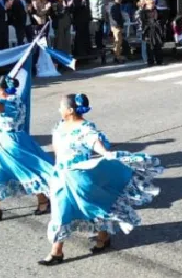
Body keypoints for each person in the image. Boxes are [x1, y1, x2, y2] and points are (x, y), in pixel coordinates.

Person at [39, 94, 163, 265]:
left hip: (80, 176)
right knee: (60, 212)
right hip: (60, 177)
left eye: (61, 107)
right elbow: (57, 151)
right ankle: (56, 252)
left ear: (69, 110)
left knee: (92, 208)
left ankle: (103, 237)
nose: (59, 109)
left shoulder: (85, 128)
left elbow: (95, 141)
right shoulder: (60, 126)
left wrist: (105, 154)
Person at [0, 74, 54, 224]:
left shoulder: (12, 103)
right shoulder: (2, 99)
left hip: (12, 144)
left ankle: (44, 200)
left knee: (29, 172)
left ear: (3, 91)